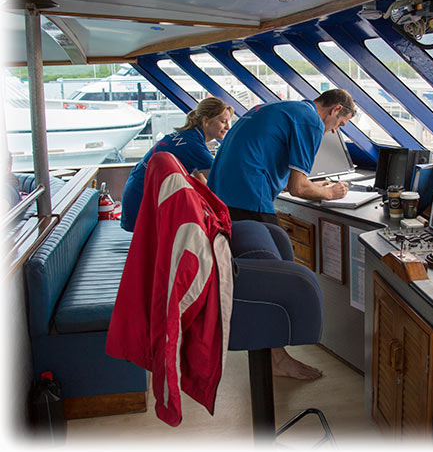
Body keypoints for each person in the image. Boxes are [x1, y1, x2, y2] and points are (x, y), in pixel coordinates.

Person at [208, 89, 356, 380]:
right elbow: (298, 188)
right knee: (276, 278)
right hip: (246, 196)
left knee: (280, 257)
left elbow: (284, 170)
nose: (334, 131)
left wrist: (316, 185)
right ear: (335, 109)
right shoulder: (311, 122)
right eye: (340, 124)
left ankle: (276, 355)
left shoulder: (285, 108)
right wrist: (331, 192)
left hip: (223, 195)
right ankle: (277, 358)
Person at [120, 97, 233, 232]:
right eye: (223, 121)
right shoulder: (194, 145)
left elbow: (202, 181)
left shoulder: (187, 136)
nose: (228, 127)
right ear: (206, 120)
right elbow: (219, 182)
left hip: (135, 195)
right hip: (142, 202)